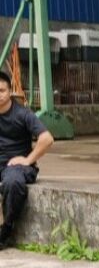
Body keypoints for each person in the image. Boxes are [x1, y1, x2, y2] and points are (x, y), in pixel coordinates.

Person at [0, 70, 53, 249]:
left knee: (13, 183)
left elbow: (47, 138)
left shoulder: (22, 114)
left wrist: (28, 159)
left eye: (2, 91)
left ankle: (6, 230)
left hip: (16, 166)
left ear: (10, 92)